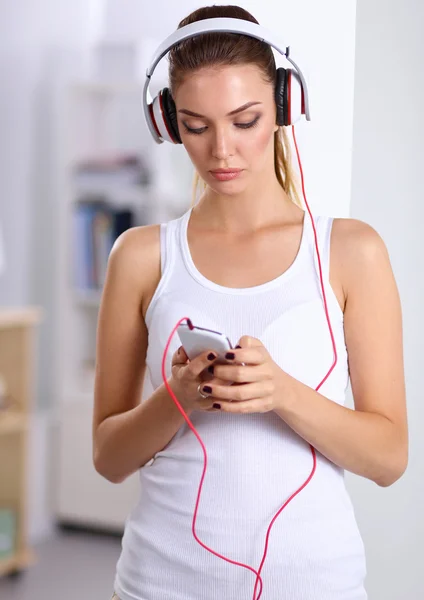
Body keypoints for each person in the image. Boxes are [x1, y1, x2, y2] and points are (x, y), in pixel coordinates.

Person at [92, 5, 408, 600]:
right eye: (196, 125)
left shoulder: (351, 252)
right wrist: (179, 398)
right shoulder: (139, 256)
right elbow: (109, 458)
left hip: (316, 583)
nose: (221, 151)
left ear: (285, 106)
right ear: (168, 122)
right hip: (158, 583)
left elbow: (389, 459)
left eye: (245, 120)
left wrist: (282, 393)